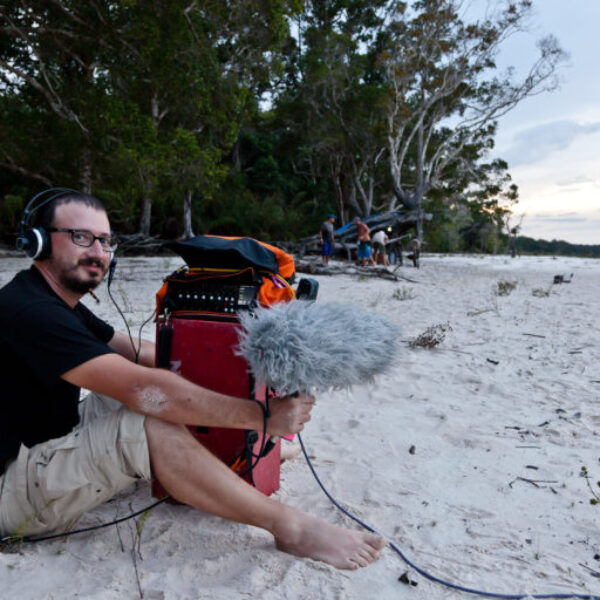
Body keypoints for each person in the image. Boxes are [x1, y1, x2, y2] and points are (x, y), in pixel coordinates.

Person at [0, 191, 386, 570]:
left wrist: (236, 364)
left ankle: (246, 449)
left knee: (160, 384)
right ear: (37, 242)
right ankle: (291, 527)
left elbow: (141, 353)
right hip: (9, 488)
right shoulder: (30, 311)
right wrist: (262, 416)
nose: (98, 252)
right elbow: (144, 391)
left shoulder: (54, 301)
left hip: (44, 439)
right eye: (81, 237)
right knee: (149, 415)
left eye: (105, 241)